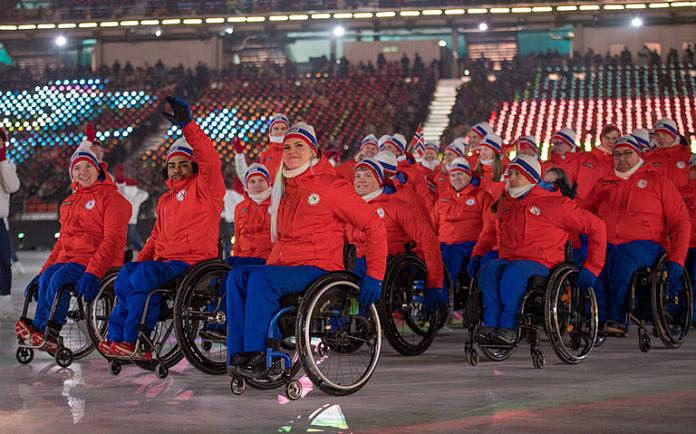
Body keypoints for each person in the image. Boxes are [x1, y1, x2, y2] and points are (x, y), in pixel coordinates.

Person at [225, 122, 387, 377]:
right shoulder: (284, 188)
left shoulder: (331, 186)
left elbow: (374, 226)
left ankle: (262, 353)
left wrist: (375, 275)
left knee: (260, 280)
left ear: (313, 150)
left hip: (319, 267)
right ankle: (239, 353)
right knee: (237, 276)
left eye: (299, 145)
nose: (291, 150)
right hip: (286, 265)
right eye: (287, 146)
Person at [101, 96, 226, 357]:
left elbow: (210, 161)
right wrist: (141, 259)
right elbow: (156, 236)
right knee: (128, 273)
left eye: (183, 164)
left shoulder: (206, 189)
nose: (177, 170)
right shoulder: (165, 200)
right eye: (172, 165)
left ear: (193, 166)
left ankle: (140, 340)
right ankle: (118, 339)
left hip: (194, 264)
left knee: (144, 275)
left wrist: (189, 126)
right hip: (167, 263)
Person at [468, 155, 606, 344]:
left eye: (518, 174)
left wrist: (593, 266)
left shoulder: (556, 204)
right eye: (511, 174)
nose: (513, 178)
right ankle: (491, 326)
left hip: (543, 263)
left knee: (513, 274)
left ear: (532, 177)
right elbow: (488, 233)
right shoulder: (506, 204)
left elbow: (597, 226)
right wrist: (477, 255)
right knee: (489, 270)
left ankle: (509, 327)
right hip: (510, 259)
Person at [15, 147, 131, 350]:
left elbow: (112, 241)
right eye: (77, 168)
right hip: (71, 260)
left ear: (98, 170)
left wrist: (94, 273)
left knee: (59, 278)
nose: (82, 172)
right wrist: (41, 273)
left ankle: (49, 331)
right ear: (71, 172)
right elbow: (62, 243)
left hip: (97, 261)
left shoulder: (114, 200)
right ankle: (39, 329)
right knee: (49, 275)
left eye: (88, 166)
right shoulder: (70, 201)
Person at [584, 135, 691, 335]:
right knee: (591, 256)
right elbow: (584, 213)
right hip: (608, 242)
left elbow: (681, 222)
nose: (622, 159)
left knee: (621, 255)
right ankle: (597, 315)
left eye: (627, 153)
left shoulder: (658, 181)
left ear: (638, 154)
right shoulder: (603, 182)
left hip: (648, 244)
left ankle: (617, 317)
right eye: (617, 155)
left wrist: (677, 259)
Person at [348, 158, 445, 312]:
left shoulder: (397, 206)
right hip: (357, 259)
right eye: (358, 176)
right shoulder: (350, 207)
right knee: (341, 284)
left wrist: (435, 283)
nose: (361, 180)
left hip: (390, 260)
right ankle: (344, 323)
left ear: (379, 180)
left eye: (367, 175)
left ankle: (360, 317)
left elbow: (428, 239)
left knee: (362, 285)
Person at [432, 158, 493, 287]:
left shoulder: (481, 196)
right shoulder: (443, 198)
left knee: (448, 258)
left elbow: (490, 226)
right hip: (443, 243)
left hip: (468, 243)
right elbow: (432, 224)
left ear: (469, 176)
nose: (456, 178)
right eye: (453, 175)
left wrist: (479, 249)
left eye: (460, 174)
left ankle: (442, 300)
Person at [0, 127, 20, 318]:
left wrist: (3, 161)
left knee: (5, 261)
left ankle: (4, 300)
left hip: (0, 221)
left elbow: (13, 186)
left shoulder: (6, 164)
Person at [234, 113, 289, 181]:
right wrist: (239, 155)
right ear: (270, 132)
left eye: (283, 129)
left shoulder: (294, 152)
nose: (280, 132)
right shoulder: (265, 155)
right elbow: (249, 179)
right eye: (276, 128)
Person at [574, 124, 620, 199]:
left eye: (614, 138)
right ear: (601, 138)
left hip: (605, 207)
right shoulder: (585, 157)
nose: (610, 141)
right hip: (580, 205)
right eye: (607, 138)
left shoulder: (620, 163)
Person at [646, 118, 690, 188]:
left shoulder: (688, 156)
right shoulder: (649, 159)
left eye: (664, 134)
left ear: (673, 135)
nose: (661, 138)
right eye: (657, 135)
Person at [679, 154, 696, 325]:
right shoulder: (681, 191)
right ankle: (679, 314)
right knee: (679, 281)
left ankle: (692, 316)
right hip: (683, 242)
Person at [473, 132, 505, 199]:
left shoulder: (505, 172)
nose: (482, 153)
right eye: (481, 149)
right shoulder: (476, 174)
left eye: (486, 149)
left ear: (495, 151)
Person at [221, 177, 244, 258]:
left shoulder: (224, 194)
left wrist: (224, 214)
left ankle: (227, 258)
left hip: (228, 221)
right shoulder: (235, 194)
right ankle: (237, 256)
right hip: (236, 220)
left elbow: (223, 208)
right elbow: (242, 203)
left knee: (227, 240)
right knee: (238, 240)